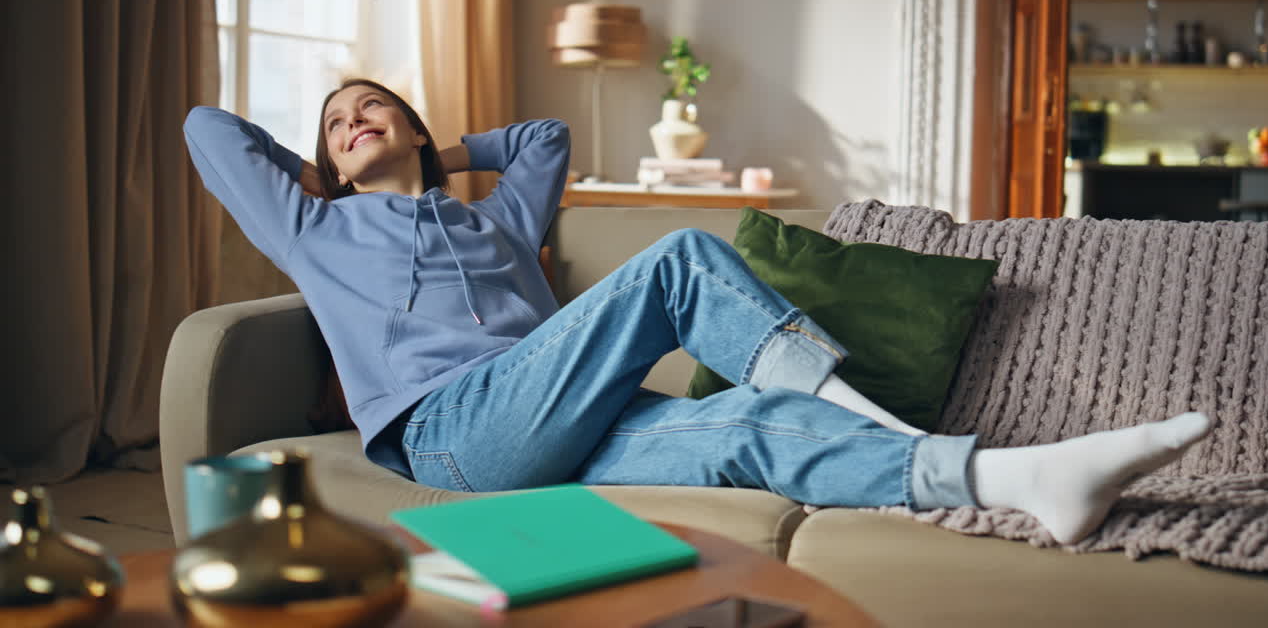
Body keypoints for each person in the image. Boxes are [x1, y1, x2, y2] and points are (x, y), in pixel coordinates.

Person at [184, 78, 1212, 545]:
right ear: (319, 161)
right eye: (334, 123)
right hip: (450, 437)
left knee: (748, 431)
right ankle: (885, 425)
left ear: (414, 122)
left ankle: (1012, 478)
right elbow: (206, 128)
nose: (351, 119)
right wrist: (333, 168)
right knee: (678, 260)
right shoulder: (314, 232)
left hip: (554, 423)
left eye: (371, 105)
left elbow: (541, 137)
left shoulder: (494, 226)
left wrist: (432, 153)